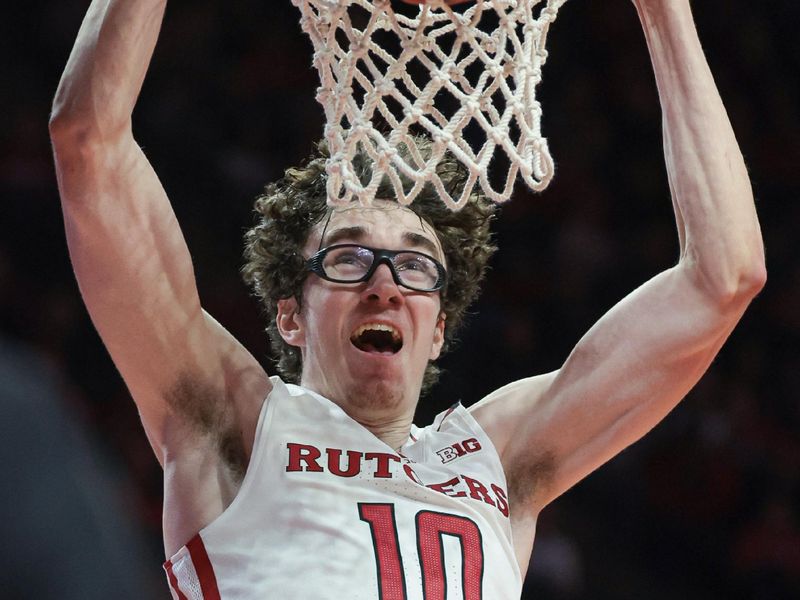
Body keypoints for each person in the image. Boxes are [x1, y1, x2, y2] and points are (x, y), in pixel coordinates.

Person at [49, 0, 765, 598]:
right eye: (350, 257)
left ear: (440, 326)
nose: (385, 283)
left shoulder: (497, 459)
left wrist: (665, 14)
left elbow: (724, 279)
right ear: (291, 314)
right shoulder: (235, 424)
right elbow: (87, 142)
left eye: (416, 267)